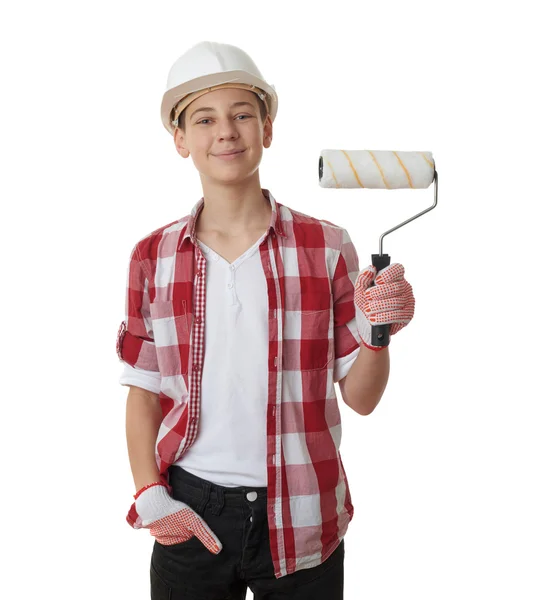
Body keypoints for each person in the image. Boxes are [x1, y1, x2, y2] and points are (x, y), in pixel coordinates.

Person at [116, 41, 415, 600]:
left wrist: (379, 332)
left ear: (268, 129)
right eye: (204, 118)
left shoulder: (327, 247)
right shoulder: (151, 257)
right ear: (180, 139)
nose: (225, 131)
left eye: (242, 115)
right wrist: (150, 493)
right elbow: (144, 390)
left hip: (304, 511)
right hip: (191, 511)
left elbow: (362, 398)